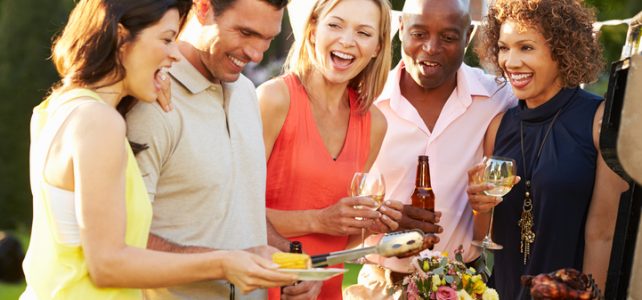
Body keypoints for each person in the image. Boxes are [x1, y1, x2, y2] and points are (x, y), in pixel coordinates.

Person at [22, 0, 297, 299]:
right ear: (121, 37)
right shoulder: (100, 122)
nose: (175, 52)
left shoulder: (57, 108)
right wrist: (224, 262)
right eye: (166, 39)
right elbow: (107, 265)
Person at [124, 0, 297, 299]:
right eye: (245, 32)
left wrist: (294, 262)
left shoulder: (245, 92)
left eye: (267, 39)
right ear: (203, 8)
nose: (256, 54)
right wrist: (222, 263)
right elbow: (125, 236)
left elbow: (240, 208)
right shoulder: (151, 101)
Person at [351, 0, 516, 297]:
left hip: (464, 285)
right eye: (419, 33)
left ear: (468, 37)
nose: (431, 47)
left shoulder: (498, 96)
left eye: (449, 37)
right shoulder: (363, 100)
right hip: (379, 286)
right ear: (401, 28)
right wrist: (381, 221)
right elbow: (339, 197)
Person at [467, 0, 630, 298]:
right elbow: (485, 237)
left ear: (562, 50)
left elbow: (603, 234)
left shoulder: (599, 122)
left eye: (526, 48)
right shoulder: (498, 126)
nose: (511, 62)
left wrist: (589, 296)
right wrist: (480, 207)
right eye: (504, 48)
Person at [257, 0, 413, 298]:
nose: (347, 41)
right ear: (313, 30)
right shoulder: (273, 99)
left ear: (378, 47)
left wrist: (372, 223)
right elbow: (234, 215)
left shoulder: (374, 123)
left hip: (326, 290)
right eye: (335, 25)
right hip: (267, 284)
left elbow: (343, 238)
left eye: (363, 32)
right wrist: (319, 218)